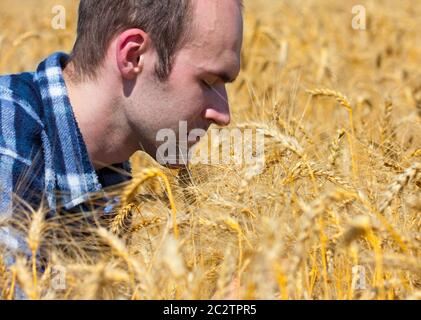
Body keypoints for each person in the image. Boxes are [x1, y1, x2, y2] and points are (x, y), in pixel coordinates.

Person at [0, 0, 243, 258]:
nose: (223, 115)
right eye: (208, 81)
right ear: (133, 56)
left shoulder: (112, 177)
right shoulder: (8, 139)